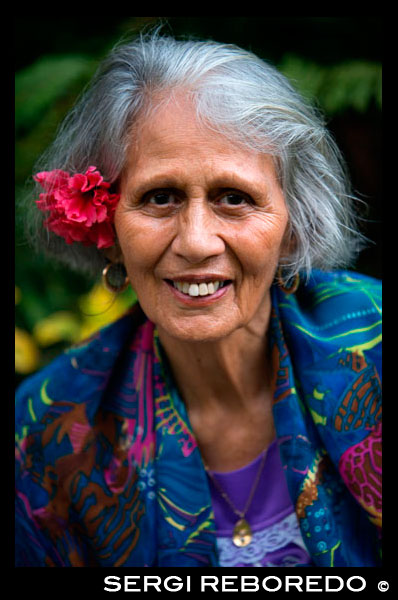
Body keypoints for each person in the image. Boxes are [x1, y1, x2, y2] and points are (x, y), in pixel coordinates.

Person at [15, 31, 381, 568]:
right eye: (159, 197)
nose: (195, 242)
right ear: (108, 227)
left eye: (235, 198)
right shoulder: (45, 431)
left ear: (293, 222)